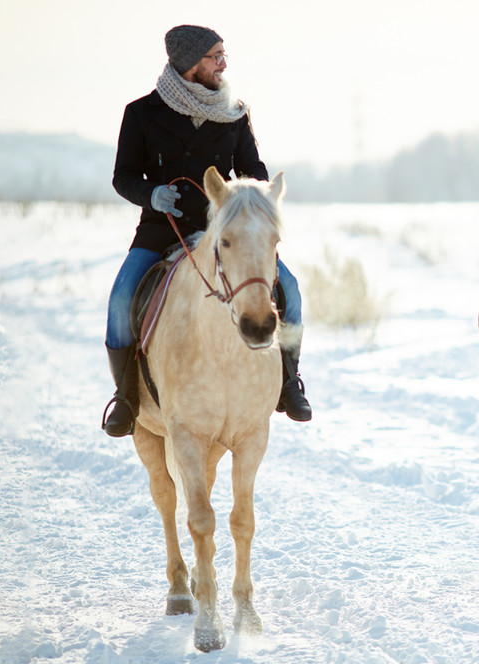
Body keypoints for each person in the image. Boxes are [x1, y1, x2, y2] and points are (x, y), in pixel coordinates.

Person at [102, 24, 311, 437]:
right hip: (162, 231)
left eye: (223, 55)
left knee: (290, 291)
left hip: (228, 236)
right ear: (190, 64)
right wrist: (153, 194)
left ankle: (289, 383)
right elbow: (123, 175)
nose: (223, 64)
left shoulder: (235, 112)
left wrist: (248, 194)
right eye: (215, 56)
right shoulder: (141, 113)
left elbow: (254, 170)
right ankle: (126, 398)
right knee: (120, 299)